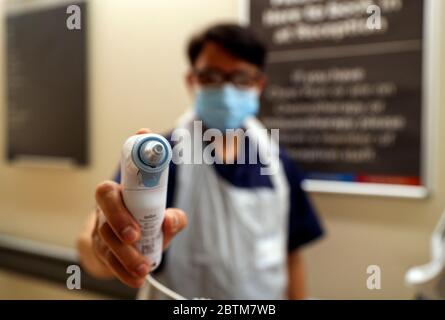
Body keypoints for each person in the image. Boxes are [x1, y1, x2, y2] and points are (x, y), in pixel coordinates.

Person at [77, 23, 324, 299]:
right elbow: (93, 239)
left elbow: (290, 254)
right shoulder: (158, 156)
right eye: (211, 76)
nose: (227, 90)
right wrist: (104, 247)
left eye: (241, 77)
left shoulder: (278, 163)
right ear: (192, 81)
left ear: (259, 84)